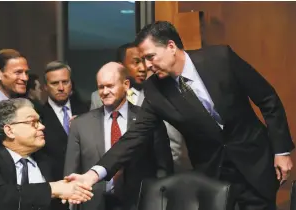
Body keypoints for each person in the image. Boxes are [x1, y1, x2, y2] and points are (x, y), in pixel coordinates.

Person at [66, 21, 294, 210]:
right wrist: (93, 175)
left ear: (171, 46)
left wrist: (281, 150)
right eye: (143, 59)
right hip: (212, 175)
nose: (146, 65)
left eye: (150, 56)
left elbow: (267, 99)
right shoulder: (154, 90)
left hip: (255, 160)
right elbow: (133, 137)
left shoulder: (220, 59)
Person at [64, 62, 173, 210]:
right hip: (94, 204)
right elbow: (71, 173)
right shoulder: (80, 124)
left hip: (140, 203)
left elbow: (163, 167)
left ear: (126, 85)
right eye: (101, 87)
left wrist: (160, 203)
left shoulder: (148, 119)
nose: (104, 91)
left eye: (110, 86)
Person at [0, 98, 93, 210]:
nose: (42, 126)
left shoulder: (47, 161)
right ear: (9, 131)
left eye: (40, 121)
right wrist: (52, 189)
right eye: (33, 122)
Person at [90, 43, 190, 172]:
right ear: (121, 66)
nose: (143, 68)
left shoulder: (161, 95)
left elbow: (173, 145)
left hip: (151, 176)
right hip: (109, 175)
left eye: (145, 61)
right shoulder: (99, 97)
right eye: (136, 62)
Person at [41, 61, 89, 182]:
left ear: (71, 84)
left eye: (65, 82)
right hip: (56, 184)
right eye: (55, 83)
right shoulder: (38, 116)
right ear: (45, 87)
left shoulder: (87, 110)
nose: (61, 88)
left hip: (87, 182)